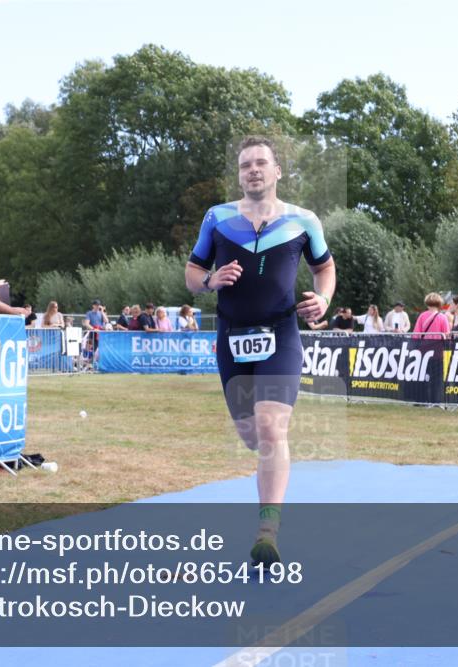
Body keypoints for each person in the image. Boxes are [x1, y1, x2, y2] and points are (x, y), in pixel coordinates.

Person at [185, 135, 335, 567]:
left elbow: (324, 267)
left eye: (261, 163)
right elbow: (193, 272)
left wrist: (322, 299)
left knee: (272, 430)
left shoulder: (303, 220)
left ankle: (267, 531)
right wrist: (211, 281)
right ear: (239, 174)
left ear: (276, 171)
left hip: (281, 333)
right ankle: (267, 493)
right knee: (252, 435)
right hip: (232, 336)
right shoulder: (217, 218)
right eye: (245, 164)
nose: (253, 169)